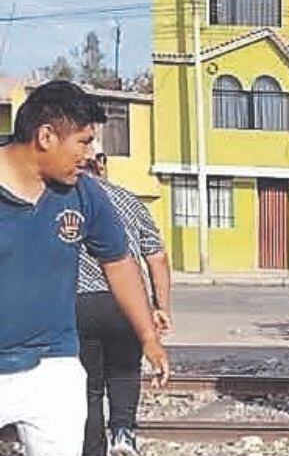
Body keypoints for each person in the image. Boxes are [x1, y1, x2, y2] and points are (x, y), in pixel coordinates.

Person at [0, 81, 169, 456]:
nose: (91, 154)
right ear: (46, 136)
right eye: (84, 141)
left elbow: (119, 262)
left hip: (53, 363)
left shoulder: (83, 192)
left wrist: (148, 338)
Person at [77, 146, 172, 456]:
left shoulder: (64, 199)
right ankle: (123, 434)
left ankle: (92, 448)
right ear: (102, 165)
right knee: (124, 370)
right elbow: (156, 257)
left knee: (89, 385)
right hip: (127, 302)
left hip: (79, 303)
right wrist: (160, 308)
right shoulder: (131, 202)